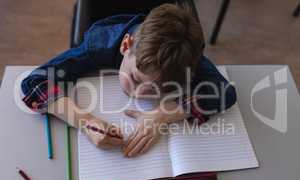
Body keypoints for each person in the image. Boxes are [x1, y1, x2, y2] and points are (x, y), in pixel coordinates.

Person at [21, 4, 236, 157]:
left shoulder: (184, 58)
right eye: (135, 77)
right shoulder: (100, 44)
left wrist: (164, 113)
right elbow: (34, 82)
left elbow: (225, 92)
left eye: (156, 90)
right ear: (126, 45)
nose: (139, 94)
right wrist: (85, 122)